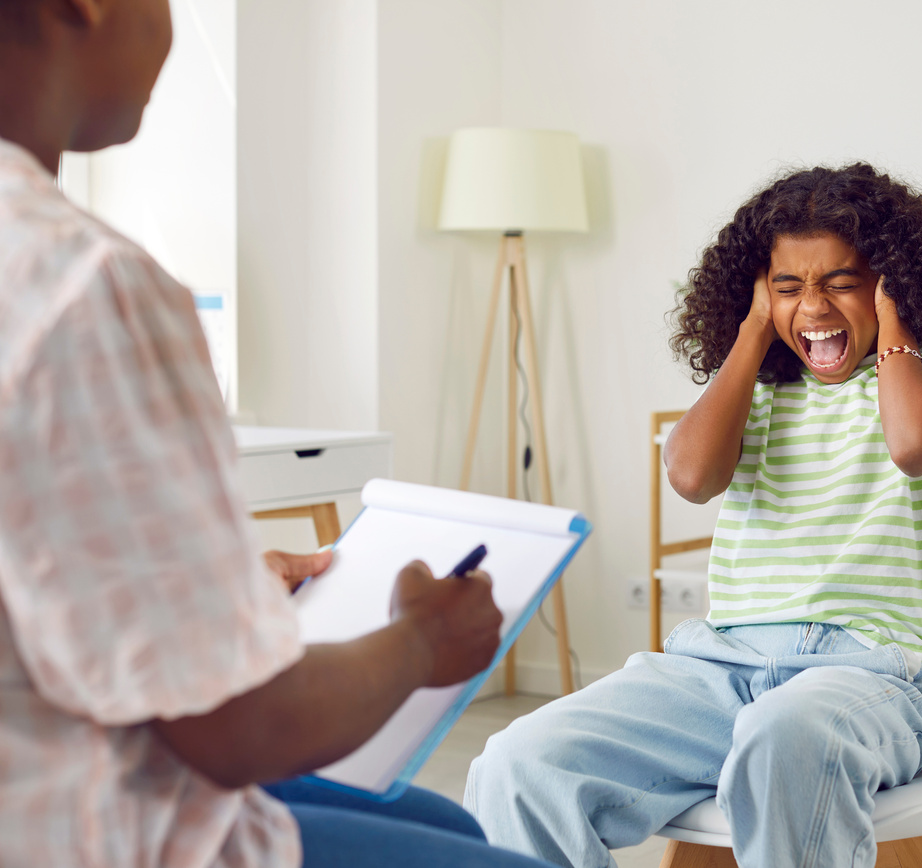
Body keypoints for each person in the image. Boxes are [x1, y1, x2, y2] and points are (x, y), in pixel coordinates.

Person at [0, 2, 556, 867]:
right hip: (81, 826)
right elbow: (238, 729)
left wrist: (215, 597)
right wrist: (419, 642)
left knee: (450, 826)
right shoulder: (86, 284)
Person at [466, 163, 922, 867]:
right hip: (721, 669)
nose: (812, 307)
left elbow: (912, 447)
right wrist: (754, 332)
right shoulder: (760, 387)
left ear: (890, 280)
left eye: (840, 282)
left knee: (786, 738)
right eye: (788, 286)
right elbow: (690, 476)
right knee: (520, 764)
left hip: (872, 673)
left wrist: (897, 322)